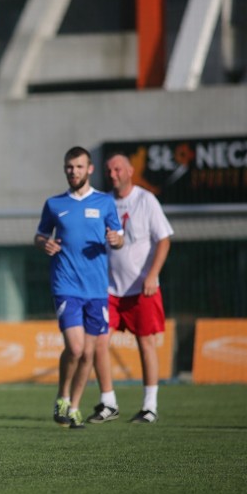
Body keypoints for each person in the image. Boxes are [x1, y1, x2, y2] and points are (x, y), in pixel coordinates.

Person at [34, 147, 123, 429]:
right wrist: (44, 244)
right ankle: (62, 394)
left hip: (96, 289)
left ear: (90, 169)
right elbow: (39, 235)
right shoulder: (54, 204)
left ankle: (73, 407)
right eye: (69, 167)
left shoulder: (106, 202)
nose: (73, 171)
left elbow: (119, 237)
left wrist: (115, 239)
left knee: (89, 352)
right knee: (75, 347)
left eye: (79, 167)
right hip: (66, 285)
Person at [100, 152, 173, 423]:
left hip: (142, 288)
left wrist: (152, 274)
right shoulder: (104, 202)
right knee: (99, 342)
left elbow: (164, 240)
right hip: (109, 289)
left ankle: (149, 406)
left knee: (146, 344)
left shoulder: (146, 200)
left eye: (117, 169)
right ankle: (108, 402)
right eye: (109, 170)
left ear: (130, 171)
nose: (113, 174)